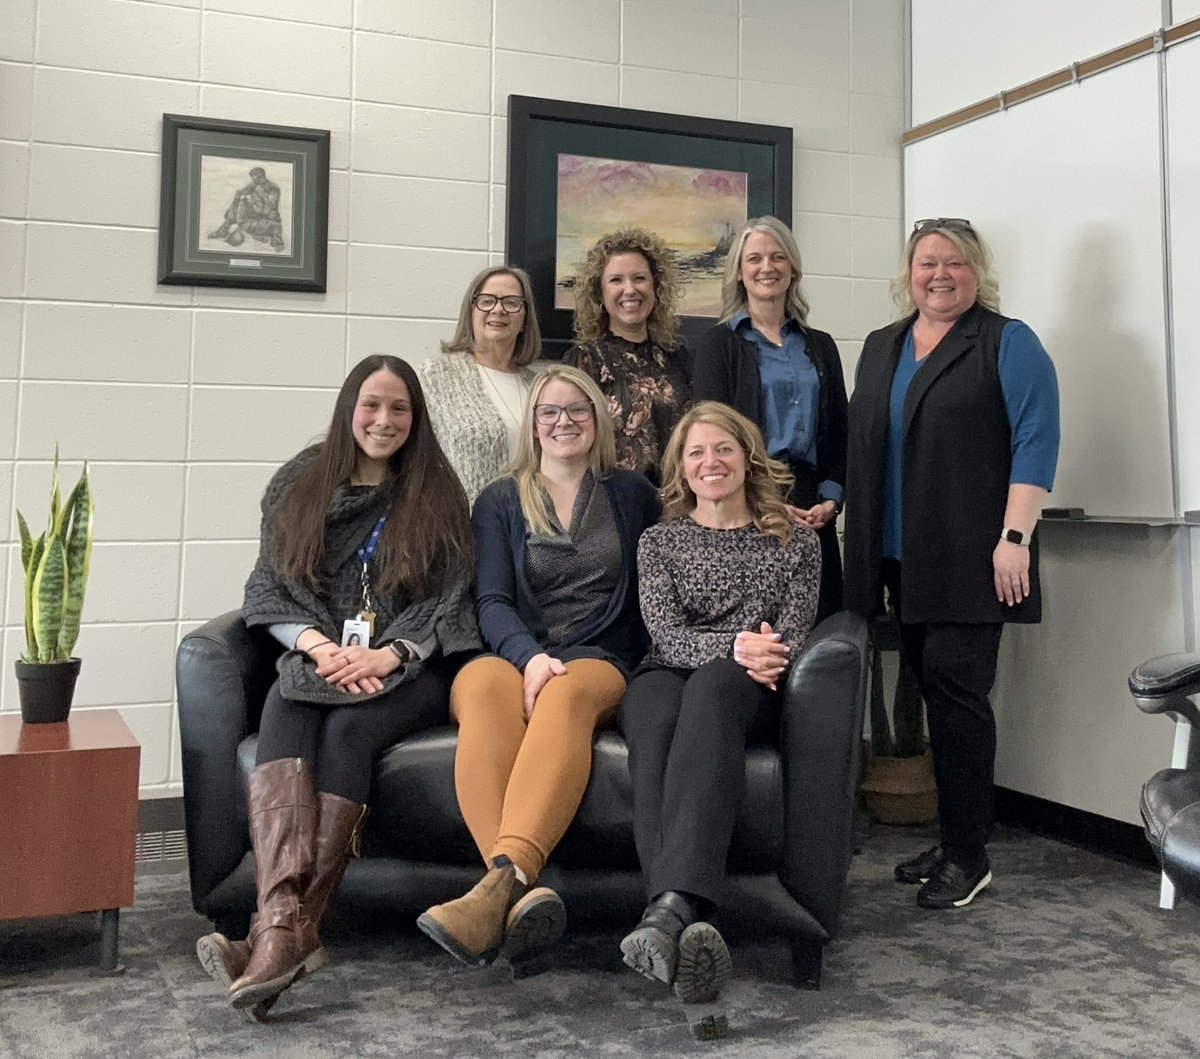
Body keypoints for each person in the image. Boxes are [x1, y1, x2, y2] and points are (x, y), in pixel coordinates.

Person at [195, 355, 479, 1016]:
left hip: (412, 668)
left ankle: (274, 938)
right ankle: (285, 931)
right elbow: (271, 582)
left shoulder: (439, 490)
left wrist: (388, 655)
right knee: (284, 703)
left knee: (349, 728)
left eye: (399, 408)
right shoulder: (301, 480)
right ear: (349, 407)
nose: (384, 420)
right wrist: (321, 647)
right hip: (317, 655)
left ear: (416, 417)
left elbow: (449, 598)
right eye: (371, 405)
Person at [843, 217, 1060, 910]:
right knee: (936, 694)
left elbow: (1035, 439)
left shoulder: (1007, 341)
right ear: (908, 274)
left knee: (958, 694)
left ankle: (970, 855)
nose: (940, 274)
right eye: (926, 263)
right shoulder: (882, 346)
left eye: (954, 263)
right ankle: (955, 834)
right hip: (899, 555)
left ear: (977, 271)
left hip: (978, 553)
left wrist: (1015, 537)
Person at [418, 364, 660, 967]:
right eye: (548, 412)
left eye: (577, 409)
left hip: (600, 657)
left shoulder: (632, 494)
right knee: (478, 689)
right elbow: (493, 600)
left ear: (597, 419)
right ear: (531, 425)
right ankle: (515, 889)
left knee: (565, 693)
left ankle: (493, 892)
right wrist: (527, 658)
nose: (563, 422)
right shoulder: (500, 499)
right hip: (509, 650)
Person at [618, 401, 820, 1004]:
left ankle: (667, 910)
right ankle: (677, 911)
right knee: (652, 720)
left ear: (747, 456)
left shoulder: (796, 539)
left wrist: (748, 654)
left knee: (710, 687)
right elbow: (666, 633)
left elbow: (794, 631)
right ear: (681, 467)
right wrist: (734, 642)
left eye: (724, 448)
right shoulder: (658, 541)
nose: (712, 461)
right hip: (664, 670)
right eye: (697, 452)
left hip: (747, 681)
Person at [692, 216, 848, 622]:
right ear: (740, 273)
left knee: (821, 632)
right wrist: (767, 501)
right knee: (763, 633)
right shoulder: (718, 345)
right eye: (755, 258)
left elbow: (839, 433)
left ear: (792, 269)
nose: (767, 267)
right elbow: (712, 442)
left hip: (813, 508)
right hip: (748, 504)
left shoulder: (821, 346)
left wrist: (831, 499)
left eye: (778, 257)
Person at [564, 227, 691, 481]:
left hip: (678, 505)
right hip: (615, 507)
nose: (630, 289)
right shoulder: (584, 360)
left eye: (639, 278)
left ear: (656, 287)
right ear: (600, 293)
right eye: (616, 280)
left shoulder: (679, 359)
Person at [419, 266, 543, 504]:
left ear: (525, 318)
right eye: (487, 301)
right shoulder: (436, 377)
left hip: (531, 530)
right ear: (471, 312)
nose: (498, 309)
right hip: (461, 528)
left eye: (511, 302)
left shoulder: (537, 385)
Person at [208, 166, 285, 251]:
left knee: (244, 204)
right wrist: (239, 194)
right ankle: (224, 229)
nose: (253, 182)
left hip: (266, 219)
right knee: (240, 201)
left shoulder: (273, 188)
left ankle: (230, 230)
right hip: (253, 216)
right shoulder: (255, 184)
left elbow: (267, 211)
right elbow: (245, 190)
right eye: (253, 180)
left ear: (262, 177)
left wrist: (255, 198)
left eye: (255, 180)